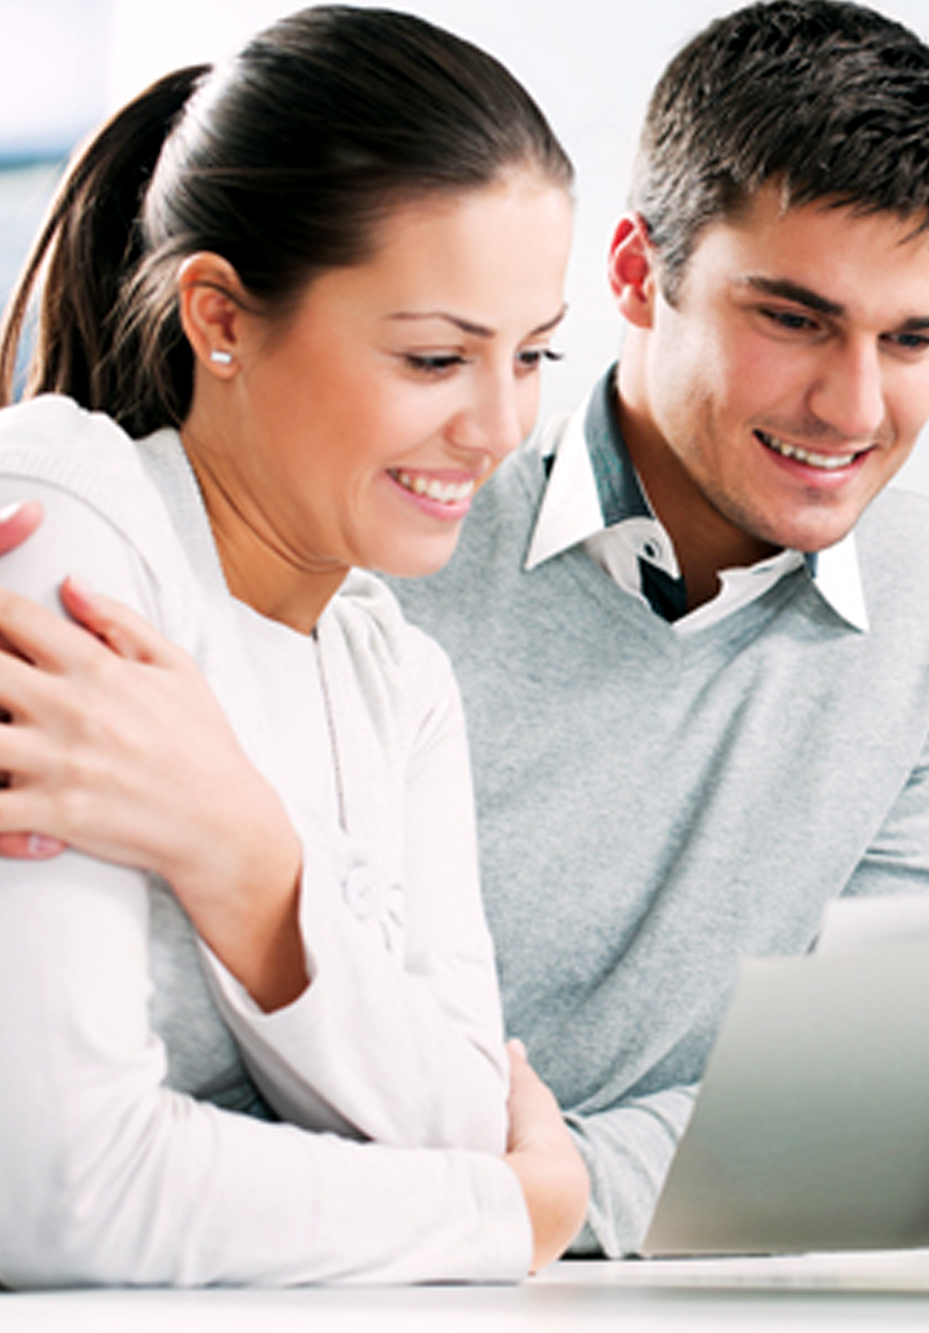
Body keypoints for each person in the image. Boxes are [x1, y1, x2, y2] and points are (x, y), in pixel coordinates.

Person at [386, 0, 929, 1256]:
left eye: (911, 340)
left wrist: (546, 1194)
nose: (855, 407)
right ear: (637, 274)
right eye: (793, 319)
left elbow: (842, 1097)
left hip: (659, 1283)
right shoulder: (407, 543)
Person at [0, 5, 587, 1286]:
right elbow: (56, 1195)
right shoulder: (58, 529)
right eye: (435, 356)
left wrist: (249, 855)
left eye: (534, 354)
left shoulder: (399, 680)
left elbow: (456, 1117)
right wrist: (508, 1215)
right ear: (220, 316)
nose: (501, 427)